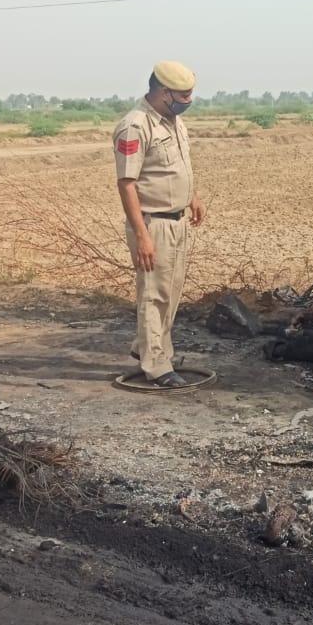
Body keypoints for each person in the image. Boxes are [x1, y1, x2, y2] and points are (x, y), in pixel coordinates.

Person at [113, 61, 206, 387]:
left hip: (176, 220)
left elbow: (175, 167)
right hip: (153, 224)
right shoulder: (135, 127)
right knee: (154, 294)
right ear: (164, 92)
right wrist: (142, 236)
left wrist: (191, 196)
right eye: (184, 94)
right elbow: (127, 184)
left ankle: (147, 347)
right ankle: (157, 366)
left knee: (171, 292)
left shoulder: (173, 121)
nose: (189, 100)